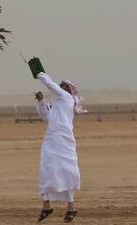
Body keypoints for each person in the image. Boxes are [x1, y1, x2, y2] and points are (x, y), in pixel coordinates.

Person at [34, 72, 87, 223]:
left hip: (64, 140)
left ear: (69, 90)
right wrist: (40, 101)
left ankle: (71, 207)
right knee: (47, 170)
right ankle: (46, 205)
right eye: (61, 85)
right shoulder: (57, 104)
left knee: (66, 172)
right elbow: (46, 117)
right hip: (51, 139)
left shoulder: (67, 98)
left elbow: (51, 85)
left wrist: (40, 74)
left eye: (63, 86)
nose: (60, 87)